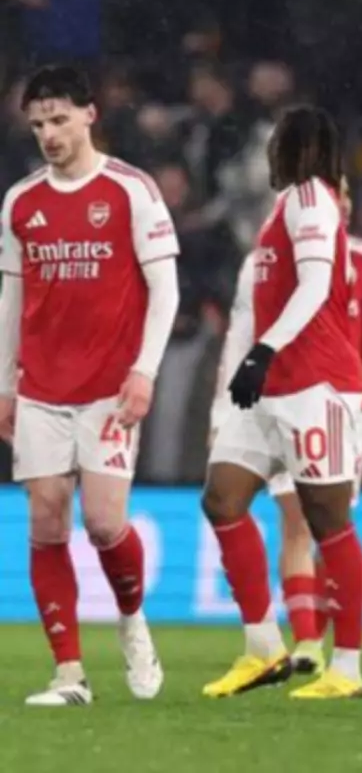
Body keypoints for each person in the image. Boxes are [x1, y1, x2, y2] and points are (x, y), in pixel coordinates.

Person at [0, 65, 180, 705]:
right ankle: (69, 674)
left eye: (59, 119)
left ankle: (132, 620)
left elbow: (166, 290)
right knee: (47, 518)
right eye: (38, 124)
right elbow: (11, 299)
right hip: (42, 388)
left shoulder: (131, 189)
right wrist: (5, 384)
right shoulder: (21, 202)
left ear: (89, 114)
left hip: (109, 387)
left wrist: (144, 371)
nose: (49, 134)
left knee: (104, 524)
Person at [202, 105, 362, 700]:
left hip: (316, 385)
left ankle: (347, 667)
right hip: (271, 389)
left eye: (277, 143)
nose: (270, 153)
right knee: (222, 499)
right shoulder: (284, 208)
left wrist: (265, 350)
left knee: (328, 520)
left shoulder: (311, 199)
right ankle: (263, 648)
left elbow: (317, 286)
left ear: (295, 148)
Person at [210, 175, 362, 677]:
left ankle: (336, 649)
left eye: (343, 193)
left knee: (327, 523)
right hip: (274, 403)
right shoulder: (262, 261)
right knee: (293, 519)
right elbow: (239, 336)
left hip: (339, 406)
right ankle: (307, 641)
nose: (337, 202)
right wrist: (221, 410)